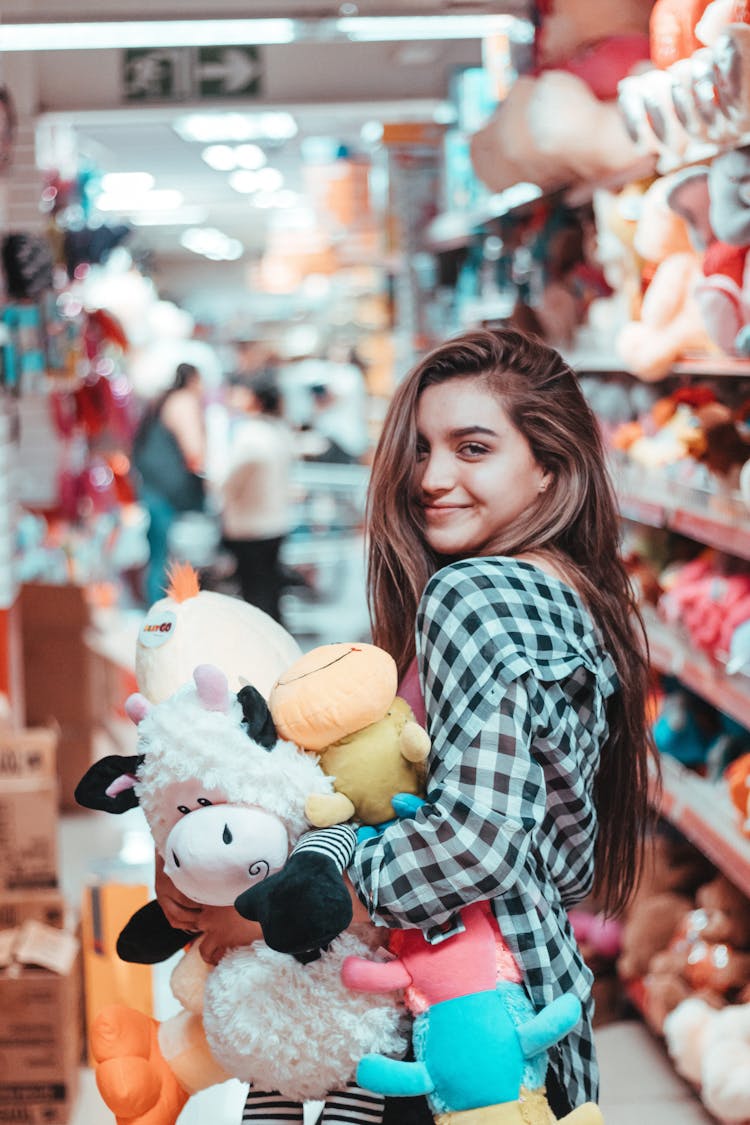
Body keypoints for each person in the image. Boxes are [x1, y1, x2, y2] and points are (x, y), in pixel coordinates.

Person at [246, 327, 655, 1122]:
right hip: (530, 1015)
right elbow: (556, 860)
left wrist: (319, 883)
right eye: (424, 448)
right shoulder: (573, 593)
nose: (432, 477)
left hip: (455, 1029)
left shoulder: (475, 593)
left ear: (549, 467)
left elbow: (476, 839)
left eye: (473, 448)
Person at [220, 372, 295, 623]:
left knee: (256, 596)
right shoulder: (278, 429)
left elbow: (233, 476)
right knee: (270, 591)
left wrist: (222, 492)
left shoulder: (250, 432)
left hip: (250, 525)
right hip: (275, 522)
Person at [132, 362, 206, 605]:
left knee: (158, 557)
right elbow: (194, 450)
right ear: (194, 380)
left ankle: (156, 620)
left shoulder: (163, 400)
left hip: (153, 487)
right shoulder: (184, 402)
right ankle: (161, 621)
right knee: (166, 561)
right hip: (169, 491)